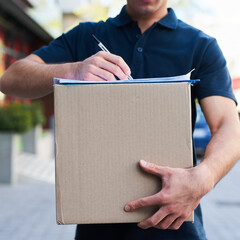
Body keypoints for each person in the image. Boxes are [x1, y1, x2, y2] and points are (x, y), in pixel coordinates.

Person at [0, 0, 240, 239]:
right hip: (97, 228)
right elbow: (10, 78)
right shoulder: (86, 36)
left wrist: (203, 178)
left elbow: (228, 127)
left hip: (176, 228)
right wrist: (71, 71)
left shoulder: (201, 46)